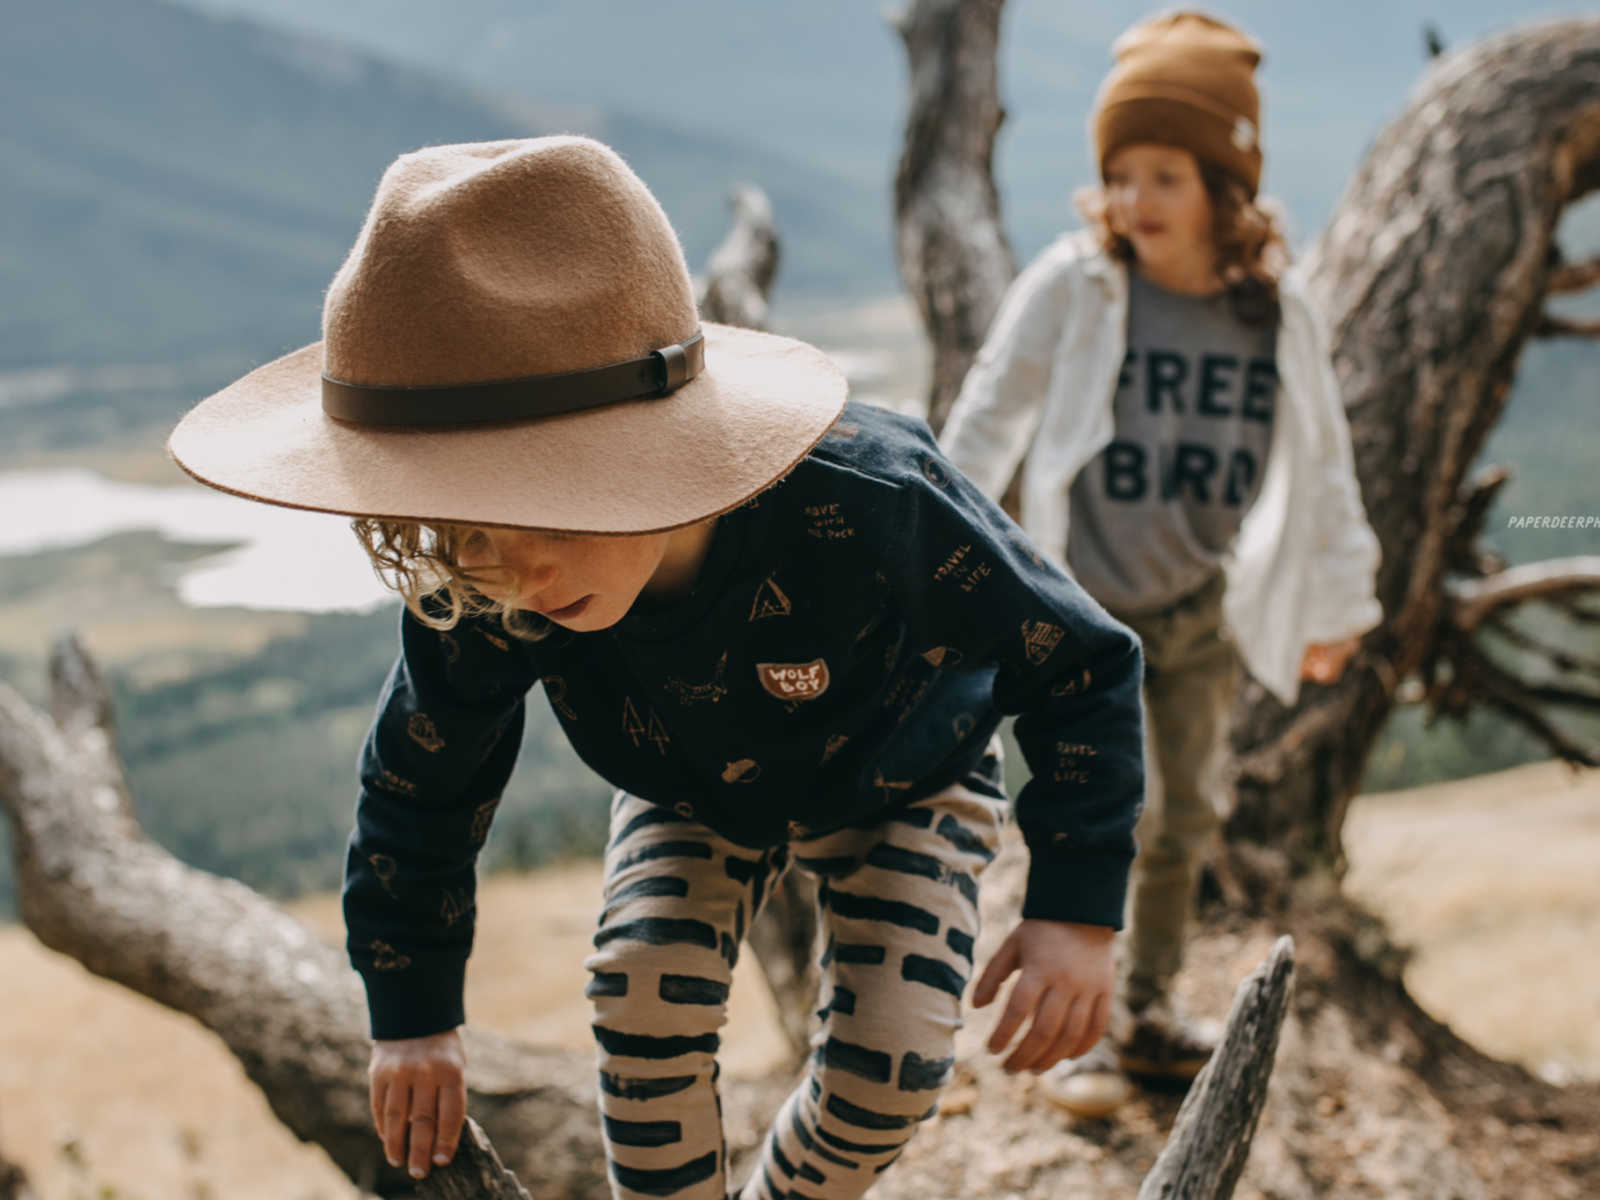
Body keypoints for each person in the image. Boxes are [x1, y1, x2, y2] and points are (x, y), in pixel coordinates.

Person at [168, 135, 1148, 1198]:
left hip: (910, 768)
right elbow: (421, 783)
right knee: (640, 995)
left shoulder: (871, 497)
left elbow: (1081, 662)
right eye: (466, 524)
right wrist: (412, 1015)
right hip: (686, 787)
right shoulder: (490, 581)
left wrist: (1074, 907)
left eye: (555, 505)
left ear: (654, 453)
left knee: (893, 1072)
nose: (522, 567)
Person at [939, 11, 1382, 1117]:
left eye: (1165, 174)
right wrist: (929, 552)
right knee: (1092, 813)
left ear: (1224, 185)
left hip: (1195, 609)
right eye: (1120, 173)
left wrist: (1337, 605)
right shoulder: (1077, 286)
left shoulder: (1270, 313)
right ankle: (1070, 1027)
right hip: (1081, 614)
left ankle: (1138, 1008)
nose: (1134, 199)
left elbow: (1322, 466)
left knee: (1185, 815)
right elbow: (989, 418)